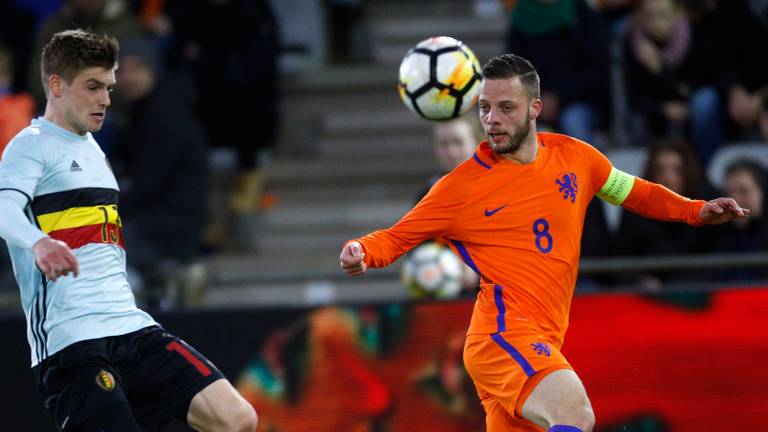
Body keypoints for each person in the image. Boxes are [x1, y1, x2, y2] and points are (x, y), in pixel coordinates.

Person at [339, 53, 749, 432]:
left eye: (506, 108)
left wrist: (694, 210)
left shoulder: (576, 157)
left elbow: (635, 192)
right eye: (485, 108)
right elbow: (397, 236)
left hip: (545, 334)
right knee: (574, 413)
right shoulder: (459, 187)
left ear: (535, 109)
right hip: (502, 336)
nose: (492, 119)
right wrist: (363, 251)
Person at [0, 30, 257, 432]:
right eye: (93, 87)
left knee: (237, 419)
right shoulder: (31, 145)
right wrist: (39, 243)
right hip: (72, 343)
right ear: (57, 85)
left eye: (108, 87)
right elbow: (3, 208)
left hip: (131, 327)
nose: (105, 99)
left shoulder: (93, 149)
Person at [114, 37, 209, 309]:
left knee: (104, 242)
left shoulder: (165, 114)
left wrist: (111, 212)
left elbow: (149, 182)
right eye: (122, 70)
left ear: (153, 70)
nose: (128, 77)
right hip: (159, 213)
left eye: (136, 68)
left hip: (172, 221)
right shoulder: (143, 110)